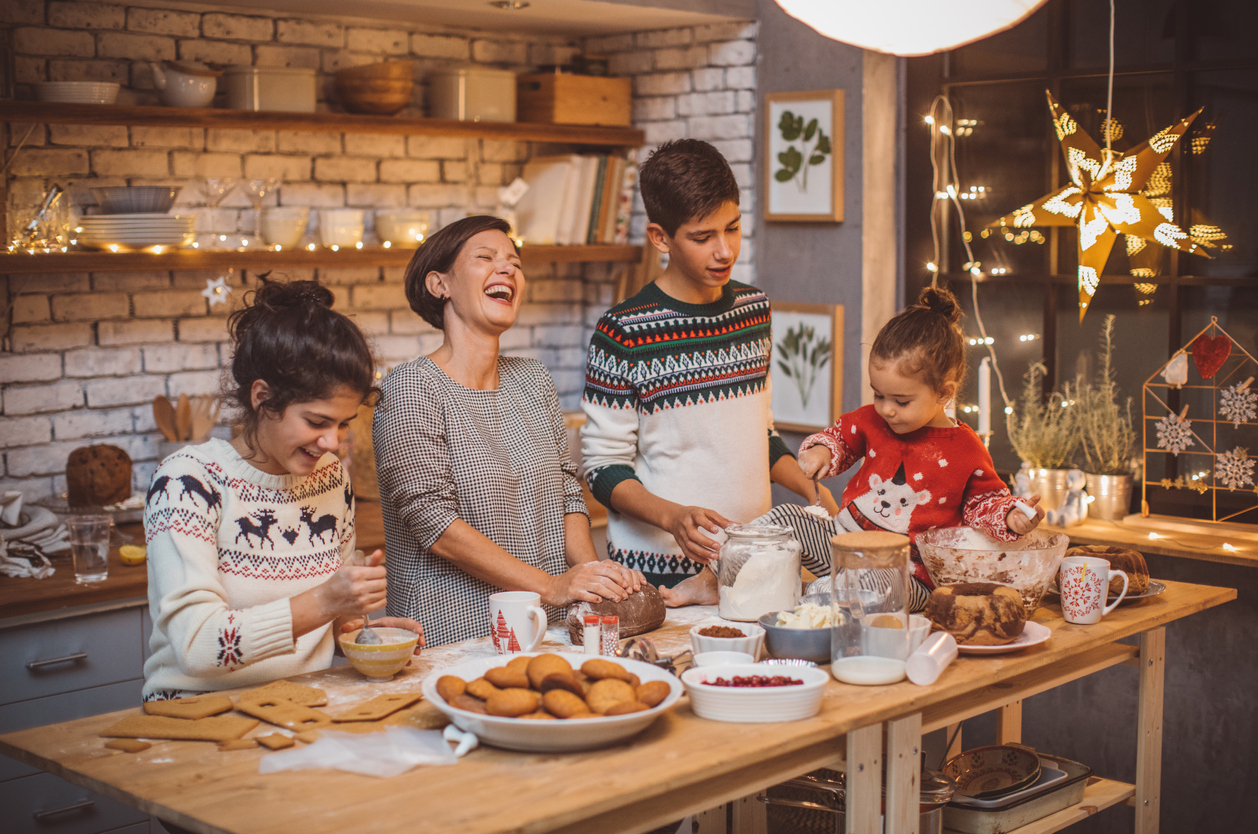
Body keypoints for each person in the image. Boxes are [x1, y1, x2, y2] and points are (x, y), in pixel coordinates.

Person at [581, 139, 837, 607]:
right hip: (656, 574)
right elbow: (602, 469)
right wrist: (674, 518)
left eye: (733, 228)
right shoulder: (622, 332)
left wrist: (809, 488)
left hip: (752, 563)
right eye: (703, 238)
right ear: (661, 237)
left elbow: (760, 433)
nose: (725, 251)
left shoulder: (753, 308)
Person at [142, 280, 423, 701]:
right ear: (262, 398)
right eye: (316, 422)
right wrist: (326, 602)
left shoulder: (329, 476)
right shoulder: (187, 482)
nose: (332, 443)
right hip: (194, 715)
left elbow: (324, 622)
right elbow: (196, 646)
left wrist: (362, 635)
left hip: (299, 704)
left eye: (343, 423)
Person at [375, 215, 643, 648]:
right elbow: (434, 523)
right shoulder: (410, 387)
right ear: (439, 284)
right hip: (456, 637)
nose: (507, 269)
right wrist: (552, 586)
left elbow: (566, 492)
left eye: (514, 262)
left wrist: (592, 584)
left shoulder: (533, 380)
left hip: (551, 629)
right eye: (486, 258)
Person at [790, 285, 1045, 611]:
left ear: (943, 393)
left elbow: (984, 502)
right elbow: (840, 438)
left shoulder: (965, 448)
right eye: (878, 395)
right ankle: (733, 573)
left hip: (907, 576)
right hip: (843, 544)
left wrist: (1010, 516)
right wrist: (822, 452)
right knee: (785, 518)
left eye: (901, 400)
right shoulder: (872, 420)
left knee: (872, 586)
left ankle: (830, 597)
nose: (886, 409)